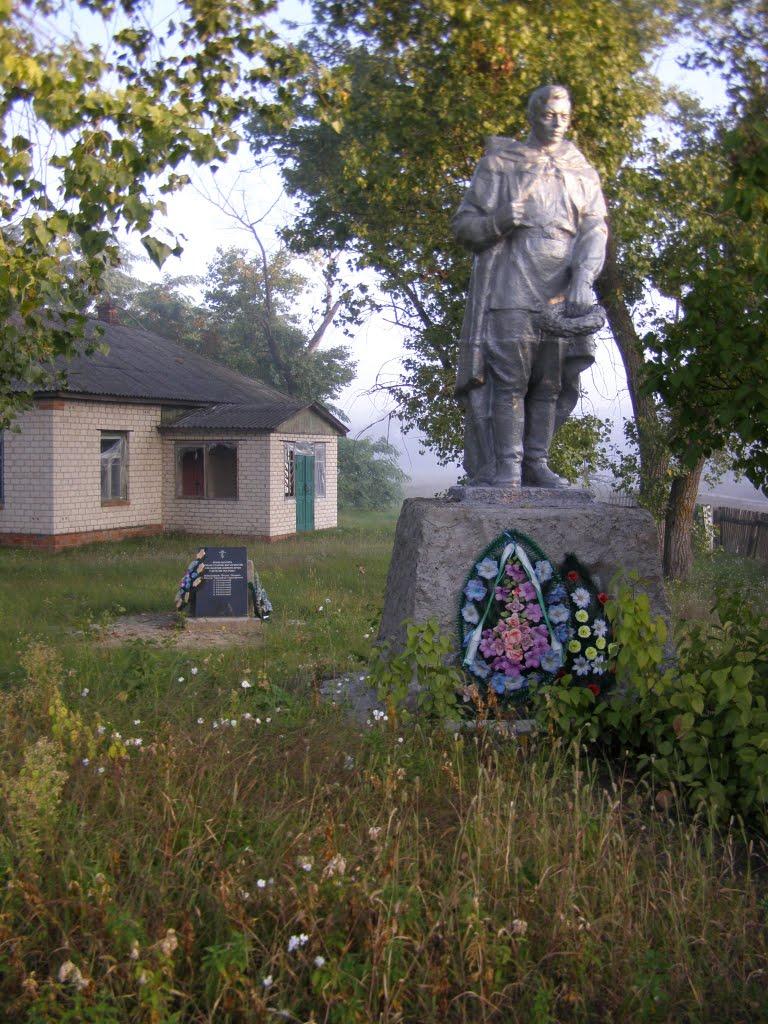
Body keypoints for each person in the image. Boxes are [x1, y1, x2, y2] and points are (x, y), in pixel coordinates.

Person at [452, 84, 608, 488]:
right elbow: (465, 225)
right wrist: (498, 221)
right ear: (532, 115)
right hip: (511, 283)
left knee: (550, 383)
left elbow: (595, 228)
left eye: (564, 116)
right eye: (549, 114)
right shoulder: (501, 164)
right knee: (510, 381)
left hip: (561, 289)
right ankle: (508, 466)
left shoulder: (581, 171)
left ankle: (537, 462)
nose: (557, 123)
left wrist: (584, 277)